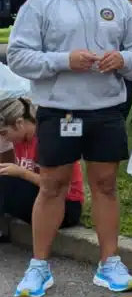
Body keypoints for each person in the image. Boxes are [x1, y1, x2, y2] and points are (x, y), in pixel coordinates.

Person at [7, 0, 132, 297]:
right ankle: (39, 266)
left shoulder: (117, 3)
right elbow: (19, 56)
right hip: (59, 110)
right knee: (52, 187)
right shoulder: (40, 3)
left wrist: (125, 60)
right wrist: (64, 60)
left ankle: (110, 263)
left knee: (105, 186)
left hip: (106, 111)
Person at [0, 97, 85, 232]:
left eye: (4, 133)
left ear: (19, 123)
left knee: (4, 182)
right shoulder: (20, 142)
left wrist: (22, 173)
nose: (5, 139)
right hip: (42, 198)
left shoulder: (48, 139)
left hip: (65, 205)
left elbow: (58, 186)